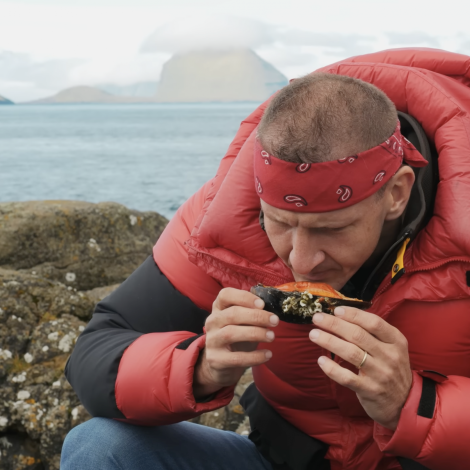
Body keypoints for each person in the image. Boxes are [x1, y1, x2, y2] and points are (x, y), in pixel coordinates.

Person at [61, 48, 470, 470]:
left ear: (397, 193)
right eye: (280, 222)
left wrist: (413, 404)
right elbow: (97, 350)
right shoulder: (220, 220)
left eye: (332, 229)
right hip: (286, 461)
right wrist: (199, 365)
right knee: (101, 447)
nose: (303, 260)